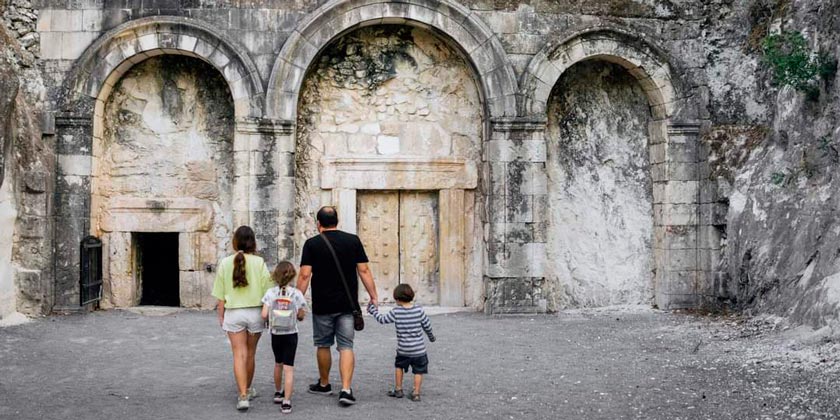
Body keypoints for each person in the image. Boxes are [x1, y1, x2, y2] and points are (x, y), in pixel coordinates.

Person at [297, 206, 379, 406]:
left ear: (318, 223)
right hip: (347, 304)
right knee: (346, 346)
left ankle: (324, 384)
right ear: (337, 221)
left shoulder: (312, 244)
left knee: (323, 344)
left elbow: (305, 275)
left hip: (323, 304)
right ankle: (346, 389)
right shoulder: (352, 241)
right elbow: (364, 270)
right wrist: (374, 296)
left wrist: (297, 302)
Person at [212, 226, 272, 411]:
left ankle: (243, 395)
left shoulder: (225, 263)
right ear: (253, 242)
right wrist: (266, 313)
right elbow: (267, 291)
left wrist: (221, 316)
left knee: (239, 354)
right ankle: (247, 388)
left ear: (235, 241)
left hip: (234, 312)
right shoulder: (259, 262)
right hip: (255, 312)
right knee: (251, 353)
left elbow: (220, 295)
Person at [367, 284, 436, 402]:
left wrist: (373, 310)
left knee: (399, 367)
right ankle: (416, 393)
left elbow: (382, 320)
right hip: (419, 350)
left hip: (403, 349)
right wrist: (431, 337)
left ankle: (398, 389)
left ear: (397, 299)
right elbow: (427, 326)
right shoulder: (419, 310)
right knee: (419, 371)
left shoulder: (396, 312)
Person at [261, 261, 307, 414]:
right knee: (289, 368)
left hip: (276, 334)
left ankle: (278, 392)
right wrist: (298, 315)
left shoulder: (270, 293)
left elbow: (264, 315)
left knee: (277, 363)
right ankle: (287, 402)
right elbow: (301, 314)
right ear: (292, 276)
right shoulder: (296, 293)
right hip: (291, 333)